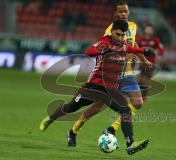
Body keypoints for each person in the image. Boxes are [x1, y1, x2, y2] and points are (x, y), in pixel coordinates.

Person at [40, 20, 152, 155]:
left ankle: (130, 143)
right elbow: (89, 52)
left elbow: (131, 48)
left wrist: (142, 51)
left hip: (111, 90)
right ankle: (51, 118)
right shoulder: (104, 42)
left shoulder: (123, 45)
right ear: (112, 32)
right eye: (118, 34)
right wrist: (104, 49)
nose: (121, 38)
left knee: (125, 111)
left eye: (123, 35)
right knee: (71, 107)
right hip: (94, 87)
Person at [65, 0, 152, 147]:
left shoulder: (133, 26)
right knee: (97, 107)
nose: (123, 14)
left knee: (137, 102)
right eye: (120, 11)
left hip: (127, 75)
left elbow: (133, 44)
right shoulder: (110, 30)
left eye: (125, 11)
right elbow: (105, 50)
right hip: (110, 76)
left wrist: (143, 59)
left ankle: (112, 129)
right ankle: (73, 131)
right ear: (115, 13)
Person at [137, 24, 165, 99]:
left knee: (145, 80)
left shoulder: (155, 40)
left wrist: (157, 52)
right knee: (139, 80)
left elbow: (161, 48)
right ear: (145, 30)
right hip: (142, 63)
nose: (149, 31)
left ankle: (144, 97)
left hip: (151, 64)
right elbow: (136, 48)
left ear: (152, 31)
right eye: (148, 29)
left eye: (150, 30)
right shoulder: (140, 39)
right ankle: (140, 96)